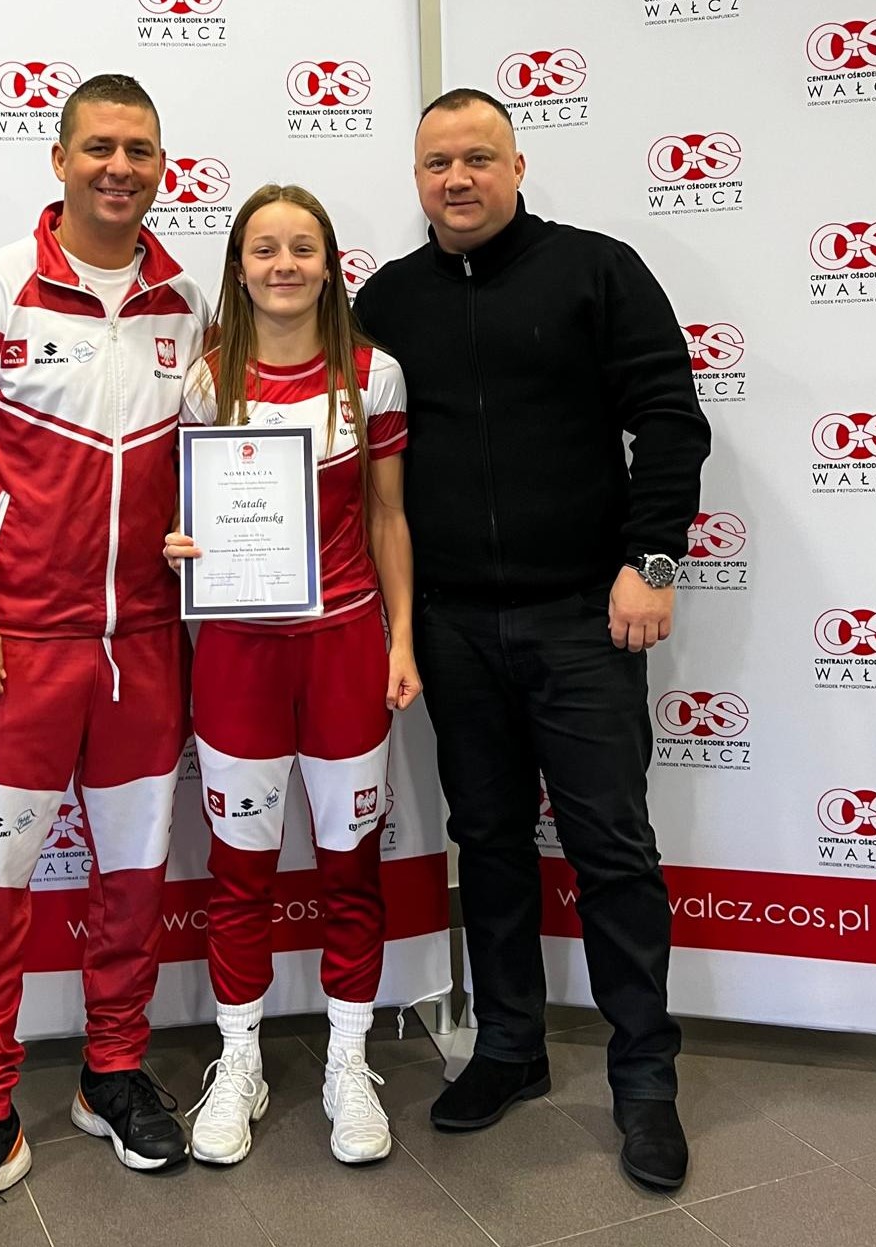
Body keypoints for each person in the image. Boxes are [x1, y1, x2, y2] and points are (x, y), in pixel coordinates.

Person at [352, 89, 710, 1190]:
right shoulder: (386, 300)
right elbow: (348, 452)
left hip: (582, 617)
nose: (455, 179)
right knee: (490, 841)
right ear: (416, 179)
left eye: (476, 158)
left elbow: (669, 419)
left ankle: (643, 1081)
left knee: (610, 848)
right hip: (453, 622)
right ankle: (508, 1046)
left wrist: (652, 561)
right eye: (435, 163)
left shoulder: (596, 270)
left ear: (516, 165)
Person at [0, 74, 210, 1241]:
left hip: (144, 651)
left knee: (132, 881)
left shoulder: (187, 303)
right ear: (60, 159)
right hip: (13, 652)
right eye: (98, 147)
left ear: (162, 165)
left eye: (139, 149)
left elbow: (218, 462)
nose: (118, 167)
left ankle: (111, 1074)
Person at [164, 183, 420, 1168]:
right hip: (238, 656)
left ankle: (348, 1061)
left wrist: (401, 640)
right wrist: (180, 543)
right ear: (238, 269)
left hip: (345, 646)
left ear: (328, 264)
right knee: (241, 873)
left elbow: (388, 516)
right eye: (264, 249)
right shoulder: (206, 382)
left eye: (301, 248)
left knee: (350, 867)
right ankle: (241, 1060)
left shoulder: (372, 374)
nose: (283, 264)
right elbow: (180, 517)